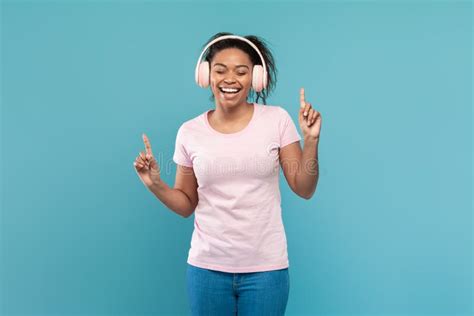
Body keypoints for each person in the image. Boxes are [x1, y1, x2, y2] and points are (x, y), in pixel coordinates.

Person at [133, 32, 322, 316]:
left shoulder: (277, 120)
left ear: (256, 78)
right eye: (220, 70)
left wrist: (311, 141)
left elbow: (304, 187)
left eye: (241, 72)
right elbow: (186, 204)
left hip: (266, 270)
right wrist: (155, 185)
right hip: (207, 269)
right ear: (205, 74)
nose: (230, 79)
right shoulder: (189, 132)